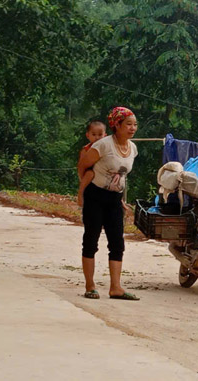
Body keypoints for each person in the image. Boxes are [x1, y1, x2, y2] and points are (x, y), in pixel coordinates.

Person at [76, 107, 140, 300]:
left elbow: (122, 176)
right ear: (117, 125)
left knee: (117, 243)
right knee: (91, 240)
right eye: (128, 124)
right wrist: (83, 190)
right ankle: (90, 286)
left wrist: (119, 198)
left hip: (114, 199)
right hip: (95, 196)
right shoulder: (103, 145)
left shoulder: (133, 148)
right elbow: (83, 166)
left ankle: (116, 288)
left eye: (135, 124)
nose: (132, 128)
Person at [77, 120, 107, 207]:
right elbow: (81, 166)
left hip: (104, 175)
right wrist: (82, 179)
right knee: (90, 173)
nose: (97, 137)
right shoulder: (86, 149)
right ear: (88, 135)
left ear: (105, 135)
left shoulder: (107, 149)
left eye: (100, 135)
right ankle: (80, 193)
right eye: (94, 135)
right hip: (89, 173)